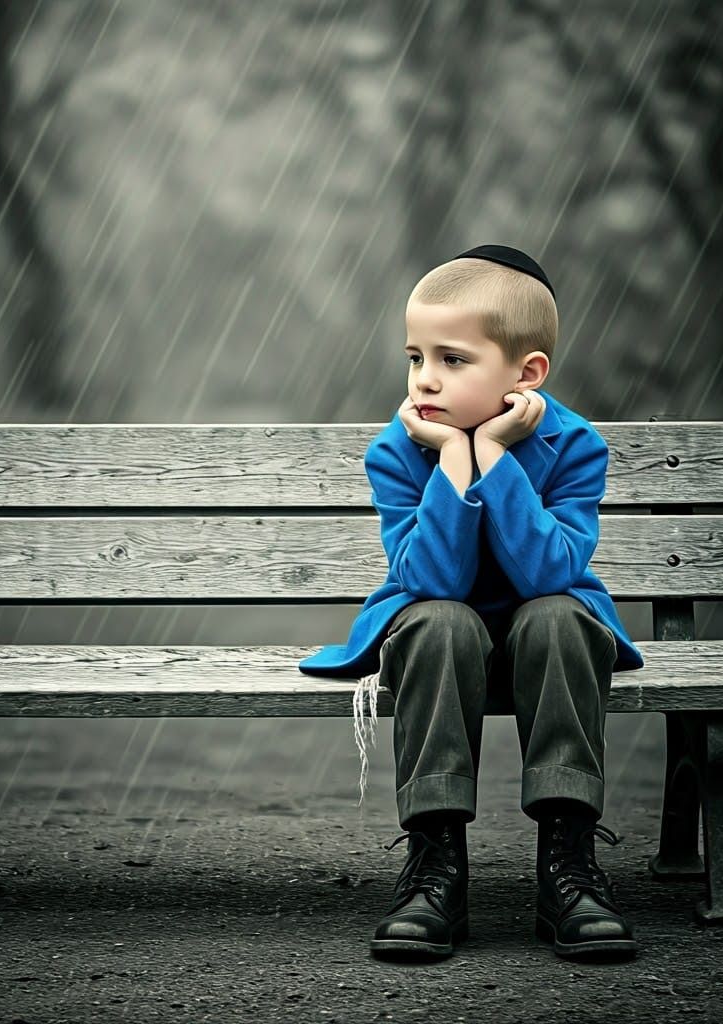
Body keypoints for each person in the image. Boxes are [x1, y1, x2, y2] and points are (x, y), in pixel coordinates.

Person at [298, 244, 645, 962]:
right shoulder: (399, 450)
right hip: (441, 637)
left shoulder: (574, 446)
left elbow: (549, 570)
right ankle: (435, 867)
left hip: (543, 635)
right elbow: (432, 579)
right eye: (415, 357)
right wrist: (454, 458)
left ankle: (568, 865)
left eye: (452, 359)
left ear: (527, 374)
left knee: (558, 617)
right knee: (437, 622)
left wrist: (496, 453)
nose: (425, 379)